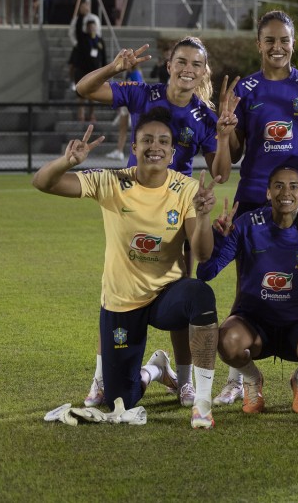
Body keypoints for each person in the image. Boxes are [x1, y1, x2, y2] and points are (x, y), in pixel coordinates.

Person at [31, 110, 221, 429]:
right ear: (134, 147)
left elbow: (202, 254)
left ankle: (202, 402)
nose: (155, 147)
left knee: (201, 295)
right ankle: (155, 370)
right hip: (123, 300)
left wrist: (203, 218)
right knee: (122, 399)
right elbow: (43, 183)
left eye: (163, 141)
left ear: (173, 152)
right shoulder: (112, 181)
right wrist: (67, 161)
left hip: (166, 297)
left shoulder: (188, 189)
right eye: (147, 140)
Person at [73, 35, 219, 408]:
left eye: (195, 64)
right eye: (181, 62)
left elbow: (220, 172)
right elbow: (84, 89)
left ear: (204, 72)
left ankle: (183, 381)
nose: (188, 69)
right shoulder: (143, 93)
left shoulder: (204, 115)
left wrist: (228, 135)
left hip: (179, 204)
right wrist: (114, 67)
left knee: (183, 291)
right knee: (118, 287)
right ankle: (102, 379)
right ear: (169, 66)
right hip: (135, 195)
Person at [210, 10, 298, 408]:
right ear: (259, 44)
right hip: (254, 195)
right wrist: (226, 129)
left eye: (284, 40)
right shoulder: (246, 89)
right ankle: (238, 378)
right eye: (270, 40)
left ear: (293, 43)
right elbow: (232, 154)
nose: (277, 47)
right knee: (247, 284)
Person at [198, 166, 298, 415]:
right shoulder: (247, 224)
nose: (286, 192)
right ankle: (252, 380)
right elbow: (206, 273)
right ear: (267, 192)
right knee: (226, 341)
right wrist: (218, 237)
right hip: (254, 326)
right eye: (279, 185)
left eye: (294, 186)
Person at [68, 19, 106, 122]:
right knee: (81, 94)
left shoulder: (99, 40)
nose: (92, 29)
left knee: (93, 95)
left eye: (93, 27)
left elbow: (104, 58)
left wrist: (105, 73)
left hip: (94, 72)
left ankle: (92, 114)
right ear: (86, 28)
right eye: (89, 27)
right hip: (82, 71)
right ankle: (81, 114)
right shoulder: (83, 40)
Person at [106, 64, 144, 163]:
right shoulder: (129, 73)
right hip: (127, 104)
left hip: (132, 104)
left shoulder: (135, 74)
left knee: (136, 130)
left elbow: (138, 90)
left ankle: (139, 153)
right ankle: (119, 150)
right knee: (123, 128)